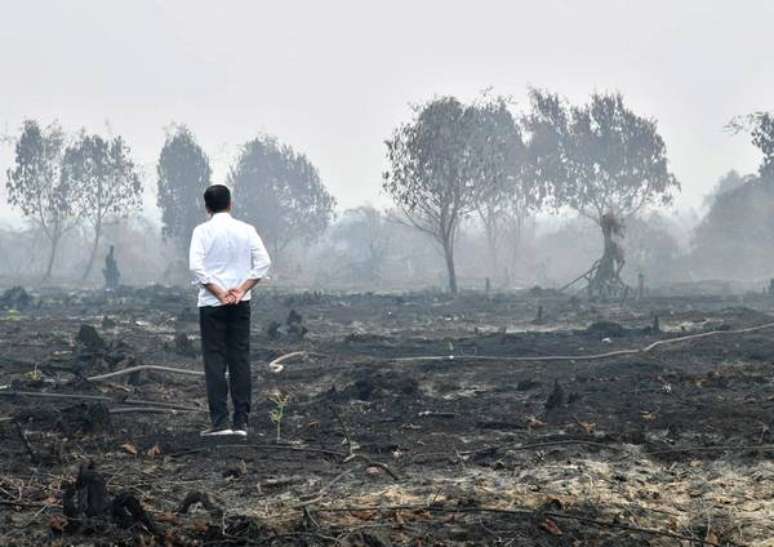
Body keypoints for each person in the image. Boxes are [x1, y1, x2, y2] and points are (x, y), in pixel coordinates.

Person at [189, 184, 271, 437]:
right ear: (230, 204)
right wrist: (241, 289)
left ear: (207, 207)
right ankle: (242, 423)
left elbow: (196, 267)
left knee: (215, 360)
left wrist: (219, 292)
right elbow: (264, 263)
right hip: (240, 304)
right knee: (240, 358)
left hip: (212, 305)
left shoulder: (201, 231)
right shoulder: (247, 230)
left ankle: (220, 422)